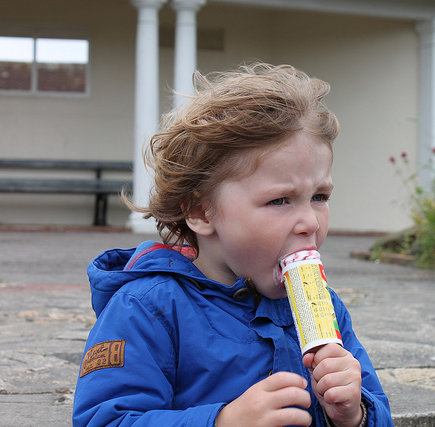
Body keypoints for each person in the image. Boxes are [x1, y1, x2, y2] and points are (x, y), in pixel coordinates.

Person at [72, 63, 394, 427]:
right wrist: (223, 421)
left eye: (319, 197)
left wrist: (355, 414)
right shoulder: (147, 309)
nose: (310, 222)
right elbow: (105, 420)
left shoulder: (328, 309)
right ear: (201, 212)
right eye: (280, 200)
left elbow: (378, 413)